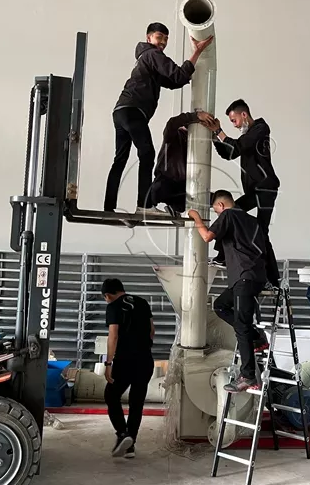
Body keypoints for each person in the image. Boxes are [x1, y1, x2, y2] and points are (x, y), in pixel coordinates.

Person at [104, 22, 214, 215]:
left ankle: (108, 207)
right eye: (159, 37)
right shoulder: (153, 54)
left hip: (121, 111)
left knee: (120, 158)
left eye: (165, 39)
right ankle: (144, 206)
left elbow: (173, 82)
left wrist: (185, 75)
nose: (162, 42)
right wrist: (196, 52)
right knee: (146, 154)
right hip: (133, 110)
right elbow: (179, 75)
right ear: (149, 38)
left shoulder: (145, 59)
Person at [188, 190, 270, 393]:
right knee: (220, 305)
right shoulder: (251, 221)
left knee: (241, 326)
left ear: (221, 206)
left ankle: (248, 376)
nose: (217, 215)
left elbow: (207, 236)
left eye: (215, 210)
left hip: (245, 277)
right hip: (253, 277)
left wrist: (195, 217)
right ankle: (257, 337)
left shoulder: (229, 215)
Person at [205, 99, 281, 287]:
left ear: (244, 115)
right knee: (231, 215)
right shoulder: (247, 136)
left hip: (266, 188)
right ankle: (222, 255)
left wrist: (219, 131)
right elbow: (229, 153)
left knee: (262, 232)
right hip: (254, 190)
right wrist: (215, 137)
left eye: (234, 120)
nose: (235, 124)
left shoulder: (261, 129)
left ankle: (272, 279)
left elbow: (238, 146)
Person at [102, 278, 155, 459]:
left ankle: (122, 434)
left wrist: (108, 363)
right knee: (136, 402)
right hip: (145, 360)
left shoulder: (113, 306)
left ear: (108, 295)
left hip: (125, 361)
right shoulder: (142, 302)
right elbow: (151, 330)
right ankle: (130, 444)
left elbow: (113, 336)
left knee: (111, 395)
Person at [149, 110, 216, 214]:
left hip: (183, 186)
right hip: (166, 180)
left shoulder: (198, 143)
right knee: (157, 191)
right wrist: (196, 115)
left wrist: (216, 132)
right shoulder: (174, 135)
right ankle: (147, 207)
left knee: (210, 198)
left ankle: (175, 209)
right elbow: (172, 123)